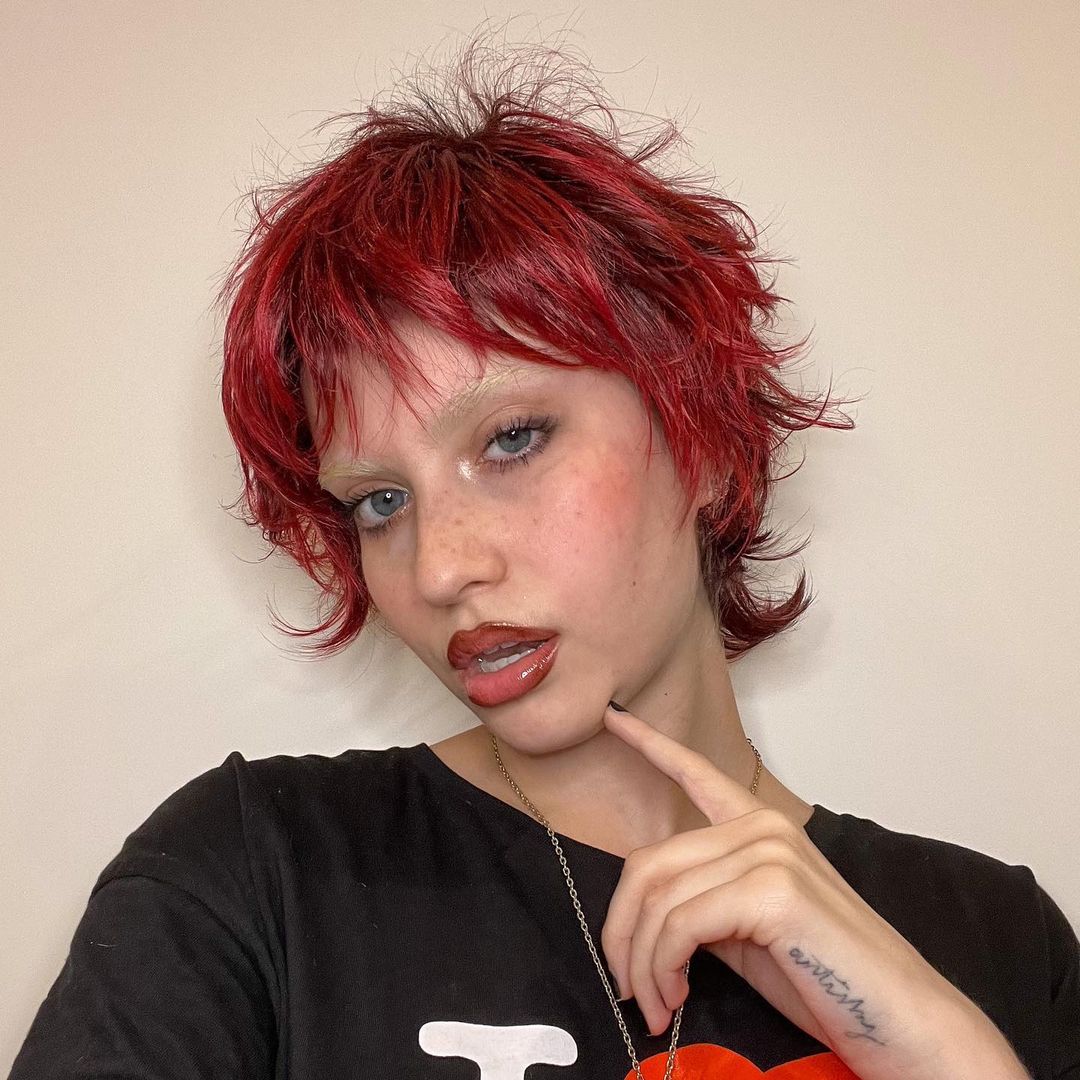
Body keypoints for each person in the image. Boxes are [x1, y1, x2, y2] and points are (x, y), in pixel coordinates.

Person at [9, 33, 1078, 1080]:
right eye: (380, 501)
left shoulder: (996, 943)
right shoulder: (255, 878)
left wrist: (945, 1055)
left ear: (704, 439)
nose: (440, 569)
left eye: (512, 440)